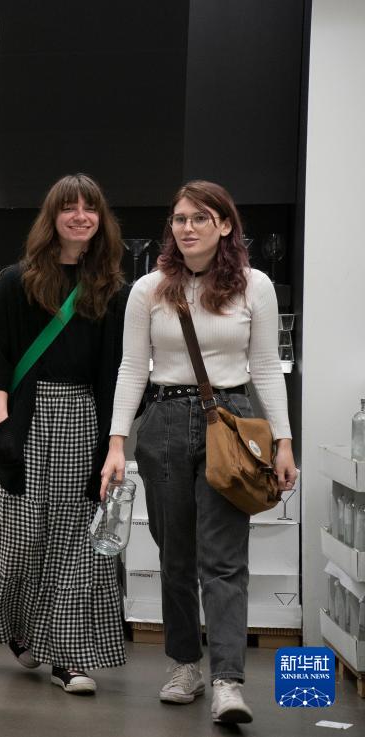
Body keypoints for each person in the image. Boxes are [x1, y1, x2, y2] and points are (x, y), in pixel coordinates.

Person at [101, 180, 297, 723]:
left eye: (200, 218)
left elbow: (265, 368)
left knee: (225, 559)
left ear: (225, 225)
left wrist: (283, 440)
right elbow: (131, 368)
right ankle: (185, 664)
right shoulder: (148, 289)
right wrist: (117, 442)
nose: (187, 227)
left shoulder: (255, 286)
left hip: (230, 424)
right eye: (180, 219)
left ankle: (228, 682)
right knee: (175, 557)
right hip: (163, 423)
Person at [0, 173, 129, 694]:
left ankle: (67, 655)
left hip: (83, 417)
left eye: (90, 208)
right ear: (52, 217)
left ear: (101, 219)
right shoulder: (18, 280)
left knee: (72, 539)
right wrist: (1, 428)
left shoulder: (111, 287)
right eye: (69, 207)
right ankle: (21, 628)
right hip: (24, 417)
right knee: (15, 536)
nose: (80, 216)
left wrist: (113, 442)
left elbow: (116, 371)